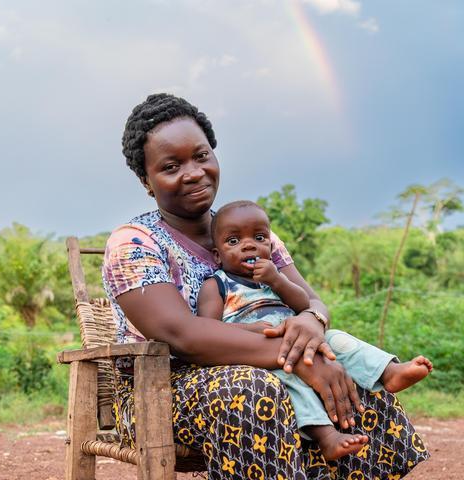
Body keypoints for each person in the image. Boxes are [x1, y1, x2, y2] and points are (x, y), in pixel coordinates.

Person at [102, 92, 430, 479]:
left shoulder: (253, 233)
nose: (193, 173)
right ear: (146, 180)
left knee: (347, 370)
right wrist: (301, 362)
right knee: (256, 389)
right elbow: (181, 335)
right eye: (172, 166)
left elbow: (313, 302)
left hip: (269, 361)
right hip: (160, 388)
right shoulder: (135, 243)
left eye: (201, 156)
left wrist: (311, 321)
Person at [197, 199, 433, 461]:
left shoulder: (274, 279)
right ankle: (327, 437)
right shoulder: (217, 284)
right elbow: (209, 328)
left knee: (337, 339)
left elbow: (303, 304)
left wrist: (278, 280)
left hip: (303, 341)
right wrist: (250, 330)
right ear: (217, 255)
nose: (249, 245)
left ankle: (389, 371)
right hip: (260, 355)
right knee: (289, 384)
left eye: (260, 237)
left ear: (270, 245)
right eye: (234, 241)